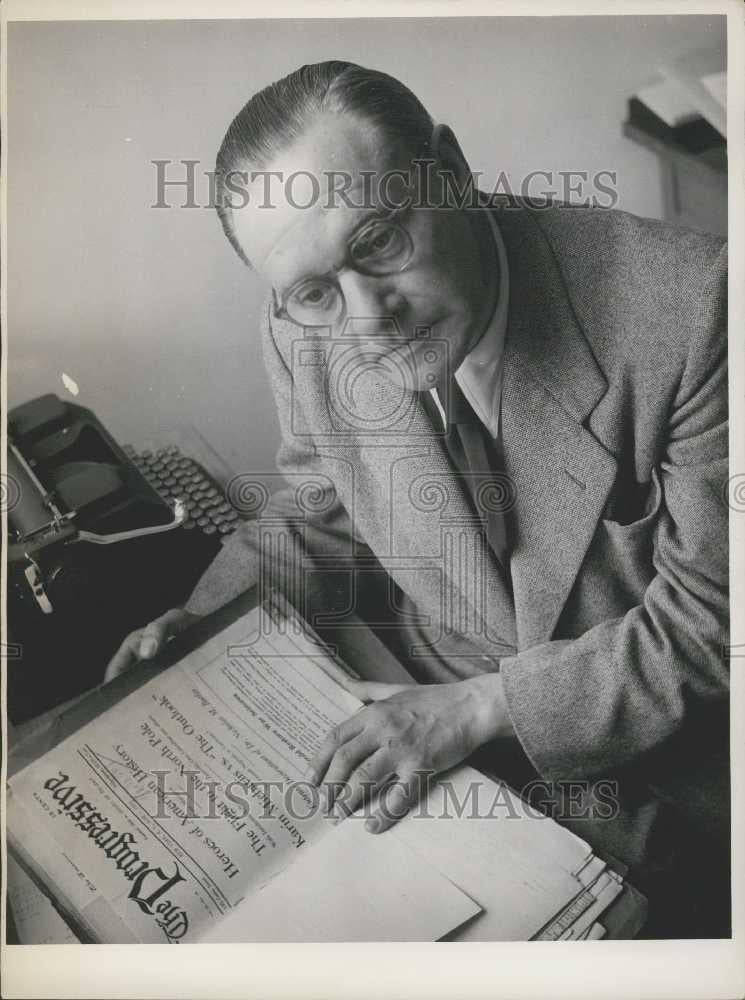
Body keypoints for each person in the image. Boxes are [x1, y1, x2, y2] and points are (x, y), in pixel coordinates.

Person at [105, 61, 729, 936]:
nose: (365, 322)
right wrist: (205, 628)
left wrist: (476, 711)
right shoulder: (303, 326)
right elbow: (323, 511)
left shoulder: (698, 307)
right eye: (316, 292)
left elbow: (713, 630)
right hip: (424, 710)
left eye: (380, 245)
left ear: (452, 170)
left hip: (663, 766)